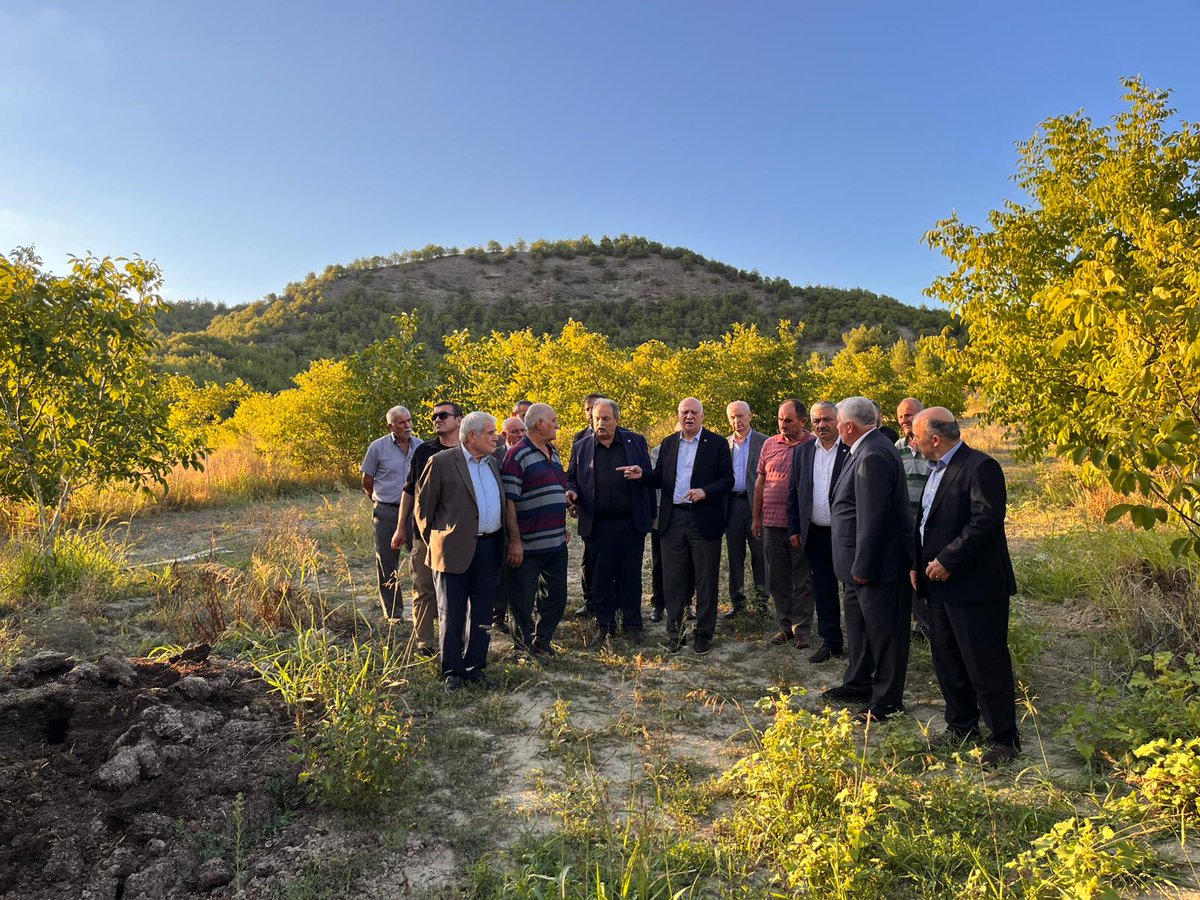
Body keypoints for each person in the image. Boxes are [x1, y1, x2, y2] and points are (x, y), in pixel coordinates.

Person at [911, 407, 1020, 766]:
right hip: (936, 584)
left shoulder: (980, 467)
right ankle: (961, 726)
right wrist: (918, 565)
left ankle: (1003, 739)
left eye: (916, 435)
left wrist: (948, 560)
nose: (913, 441)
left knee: (984, 662)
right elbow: (926, 521)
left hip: (974, 586)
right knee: (948, 659)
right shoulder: (935, 470)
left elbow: (985, 521)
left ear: (935, 438)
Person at [825, 396, 914, 722]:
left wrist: (862, 565)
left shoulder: (873, 454)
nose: (835, 427)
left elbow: (872, 517)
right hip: (855, 565)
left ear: (848, 425)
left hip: (874, 566)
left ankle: (887, 701)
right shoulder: (863, 447)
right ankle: (859, 683)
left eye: (837, 422)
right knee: (860, 629)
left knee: (885, 633)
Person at [626, 397, 733, 654]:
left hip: (703, 519)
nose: (689, 417)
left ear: (702, 416)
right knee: (672, 579)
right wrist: (643, 476)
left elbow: (728, 480)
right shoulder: (669, 443)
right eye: (684, 412)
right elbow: (660, 477)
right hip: (673, 520)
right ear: (678, 415)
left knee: (706, 579)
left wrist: (705, 492)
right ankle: (675, 632)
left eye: (694, 413)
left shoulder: (716, 443)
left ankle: (704, 633)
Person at [414, 412, 505, 691]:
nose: (496, 437)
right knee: (451, 612)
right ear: (472, 436)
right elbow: (423, 511)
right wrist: (440, 544)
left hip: (489, 546)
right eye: (490, 432)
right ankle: (452, 670)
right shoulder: (441, 462)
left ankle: (475, 666)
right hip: (452, 550)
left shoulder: (493, 462)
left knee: (482, 612)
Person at [566, 398, 653, 643]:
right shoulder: (581, 446)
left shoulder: (635, 441)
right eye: (597, 419)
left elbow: (651, 477)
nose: (601, 423)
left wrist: (641, 475)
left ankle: (633, 625)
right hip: (597, 524)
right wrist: (570, 492)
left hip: (630, 522)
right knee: (600, 577)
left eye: (606, 418)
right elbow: (571, 478)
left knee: (631, 575)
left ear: (616, 419)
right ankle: (604, 625)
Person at [392, 402, 463, 657]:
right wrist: (401, 527)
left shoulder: (470, 450)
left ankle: (456, 639)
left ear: (459, 420)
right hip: (425, 534)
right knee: (423, 587)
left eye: (443, 415)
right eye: (434, 416)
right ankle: (425, 644)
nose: (437, 419)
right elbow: (410, 490)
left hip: (458, 536)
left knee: (458, 591)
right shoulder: (424, 451)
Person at [502, 403, 570, 656]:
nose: (558, 424)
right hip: (527, 545)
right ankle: (522, 648)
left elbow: (556, 490)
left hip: (555, 542)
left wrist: (562, 525)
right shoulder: (517, 455)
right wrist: (515, 541)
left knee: (556, 596)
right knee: (521, 600)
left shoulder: (554, 452)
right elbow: (510, 501)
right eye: (554, 420)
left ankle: (542, 642)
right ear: (540, 423)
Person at [787, 400, 851, 663]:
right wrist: (794, 527)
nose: (821, 425)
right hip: (815, 533)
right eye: (816, 421)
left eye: (827, 420)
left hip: (846, 533)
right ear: (809, 423)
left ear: (837, 421)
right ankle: (831, 641)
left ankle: (860, 641)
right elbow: (794, 492)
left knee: (852, 589)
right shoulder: (803, 452)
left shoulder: (850, 450)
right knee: (823, 589)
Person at [752, 401, 815, 648]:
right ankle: (785, 625)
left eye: (788, 420)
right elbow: (759, 482)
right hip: (771, 523)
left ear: (802, 421)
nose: (783, 424)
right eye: (780, 419)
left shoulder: (812, 446)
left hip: (799, 524)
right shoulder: (769, 444)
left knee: (802, 578)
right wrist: (756, 517)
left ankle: (802, 629)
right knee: (778, 578)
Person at [361, 406, 418, 621]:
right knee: (387, 562)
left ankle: (423, 609)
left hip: (415, 513)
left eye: (409, 421)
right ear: (390, 426)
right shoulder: (378, 448)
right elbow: (367, 481)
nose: (407, 426)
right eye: (402, 422)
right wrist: (378, 500)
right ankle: (394, 613)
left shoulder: (420, 447)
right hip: (386, 511)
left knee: (421, 561)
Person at [724, 401, 767, 619]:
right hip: (732, 505)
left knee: (760, 555)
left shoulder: (764, 442)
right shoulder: (725, 444)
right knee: (735, 555)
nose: (737, 421)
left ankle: (762, 602)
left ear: (750, 416)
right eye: (732, 417)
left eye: (741, 416)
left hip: (756, 506)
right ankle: (737, 602)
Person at [489, 415, 529, 634]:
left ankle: (522, 612)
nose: (520, 436)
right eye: (515, 432)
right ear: (504, 435)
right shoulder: (494, 456)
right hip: (500, 521)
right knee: (501, 572)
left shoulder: (531, 452)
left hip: (526, 520)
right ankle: (498, 615)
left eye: (523, 431)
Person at [896, 397, 931, 639]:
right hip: (904, 526)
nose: (905, 420)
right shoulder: (895, 449)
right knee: (907, 574)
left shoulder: (934, 448)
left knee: (928, 574)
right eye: (901, 417)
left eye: (909, 415)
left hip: (930, 525)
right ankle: (920, 625)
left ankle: (932, 625)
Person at [572, 392, 604, 617]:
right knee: (588, 559)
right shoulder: (579, 438)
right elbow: (573, 474)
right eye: (588, 409)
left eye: (596, 408)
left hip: (613, 511)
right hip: (589, 512)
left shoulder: (625, 436)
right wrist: (572, 495)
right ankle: (589, 600)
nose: (592, 412)